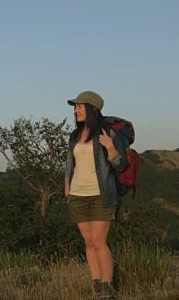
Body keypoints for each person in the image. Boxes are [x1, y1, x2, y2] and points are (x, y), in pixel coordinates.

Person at [65, 91, 129, 299]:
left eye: (79, 106)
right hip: (78, 194)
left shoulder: (107, 132)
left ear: (91, 108)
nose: (76, 110)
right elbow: (69, 165)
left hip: (101, 194)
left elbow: (120, 165)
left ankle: (108, 289)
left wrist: (110, 147)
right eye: (75, 107)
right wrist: (67, 188)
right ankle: (97, 287)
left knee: (99, 241)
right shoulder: (75, 135)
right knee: (89, 242)